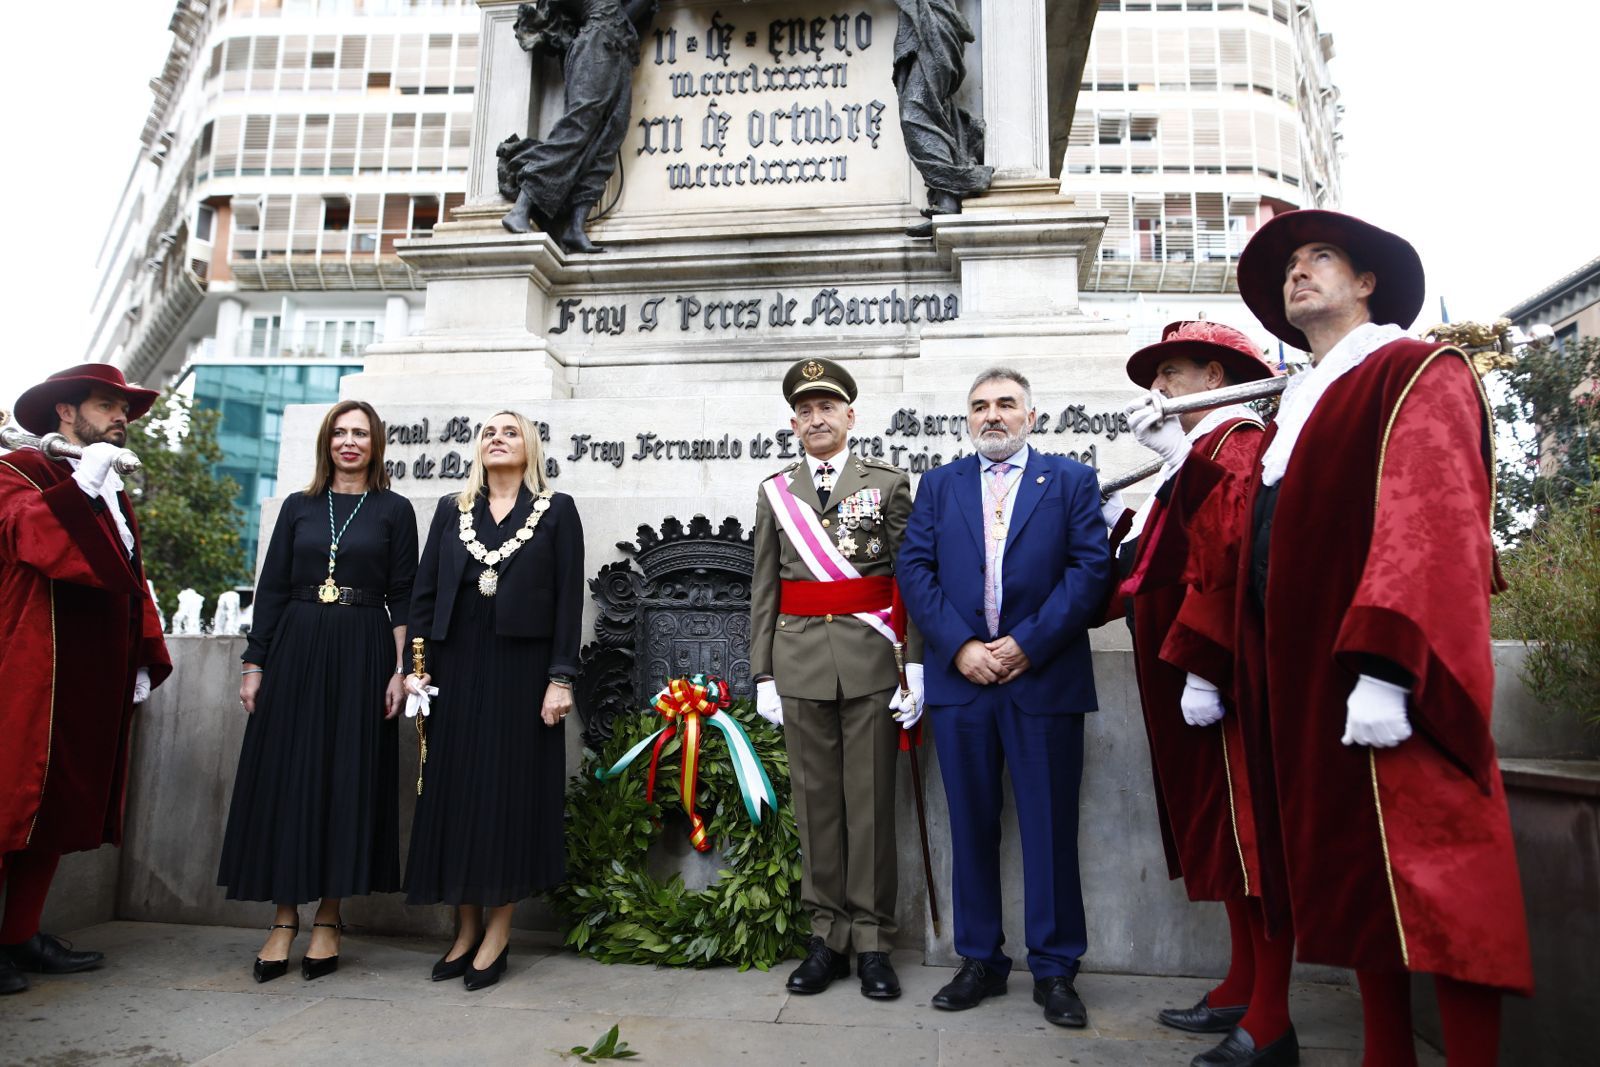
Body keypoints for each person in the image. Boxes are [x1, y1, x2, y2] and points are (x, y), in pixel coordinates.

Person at [1200, 209, 1532, 1066]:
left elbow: (1434, 516)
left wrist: (1387, 664)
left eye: (1320, 258)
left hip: (1387, 676)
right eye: (1289, 268)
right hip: (1304, 678)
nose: (1297, 274)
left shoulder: (1416, 370)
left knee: (1441, 885)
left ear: (1367, 281)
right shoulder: (1298, 405)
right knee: (1357, 880)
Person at [898, 367, 1110, 1028]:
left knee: (1049, 827)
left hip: (1042, 680)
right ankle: (980, 960)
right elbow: (914, 568)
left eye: (1006, 404)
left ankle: (1054, 968)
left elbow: (1090, 569)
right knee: (971, 824)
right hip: (964, 685)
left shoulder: (1070, 480)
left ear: (1031, 415)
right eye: (981, 405)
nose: (993, 415)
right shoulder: (939, 485)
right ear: (968, 418)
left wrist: (1027, 643)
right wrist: (960, 646)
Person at [1109, 324, 1297, 1067]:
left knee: (1251, 840)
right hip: (1190, 670)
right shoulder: (1199, 450)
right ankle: (1243, 984)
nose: (1159, 393)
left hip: (1218, 674)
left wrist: (1204, 665)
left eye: (1174, 374)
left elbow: (1225, 554)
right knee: (1223, 837)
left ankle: (1272, 1018)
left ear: (1214, 373)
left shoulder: (1237, 441)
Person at [216, 400, 417, 983]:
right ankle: (283, 919)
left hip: (363, 650)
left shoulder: (394, 510)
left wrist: (402, 667)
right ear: (326, 441)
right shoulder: (299, 508)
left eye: (360, 433)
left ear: (375, 443)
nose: (349, 442)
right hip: (297, 648)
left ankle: (329, 916)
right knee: (289, 777)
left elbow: (403, 594)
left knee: (345, 778)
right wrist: (255, 663)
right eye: (340, 432)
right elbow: (273, 585)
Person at [748, 357, 924, 1000]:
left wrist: (917, 667)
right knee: (817, 807)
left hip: (874, 662)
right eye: (804, 410)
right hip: (798, 664)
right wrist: (762, 670)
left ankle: (873, 941)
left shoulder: (888, 481)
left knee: (871, 805)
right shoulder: (775, 491)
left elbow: (910, 579)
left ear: (851, 415)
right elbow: (764, 586)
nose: (815, 418)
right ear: (793, 422)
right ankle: (827, 937)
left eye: (827, 407)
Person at [0, 364, 171, 996]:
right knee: (9, 806)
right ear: (66, 413)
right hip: (30, 672)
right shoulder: (16, 473)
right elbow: (31, 539)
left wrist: (143, 655)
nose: (121, 418)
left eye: (123, 409)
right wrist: (82, 484)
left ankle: (19, 935)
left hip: (89, 675)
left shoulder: (108, 489)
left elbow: (130, 576)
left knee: (59, 812)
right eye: (107, 406)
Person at [404, 411, 583, 992]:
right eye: (487, 432)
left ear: (529, 445)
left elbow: (566, 603)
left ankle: (499, 931)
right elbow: (426, 592)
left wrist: (561, 678)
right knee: (456, 792)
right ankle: (464, 930)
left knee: (506, 796)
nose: (496, 439)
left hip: (521, 672)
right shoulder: (450, 511)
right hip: (456, 667)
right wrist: (417, 671)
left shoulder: (556, 512)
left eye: (508, 431)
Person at [498, 0, 659, 252]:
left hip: (620, 50)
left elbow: (626, 14)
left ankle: (575, 227)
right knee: (577, 129)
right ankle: (521, 209)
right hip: (596, 45)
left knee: (609, 137)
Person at [892, 1, 994, 238]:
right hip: (934, 32)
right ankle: (947, 201)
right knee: (935, 112)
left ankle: (957, 183)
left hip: (937, 32)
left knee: (914, 113)